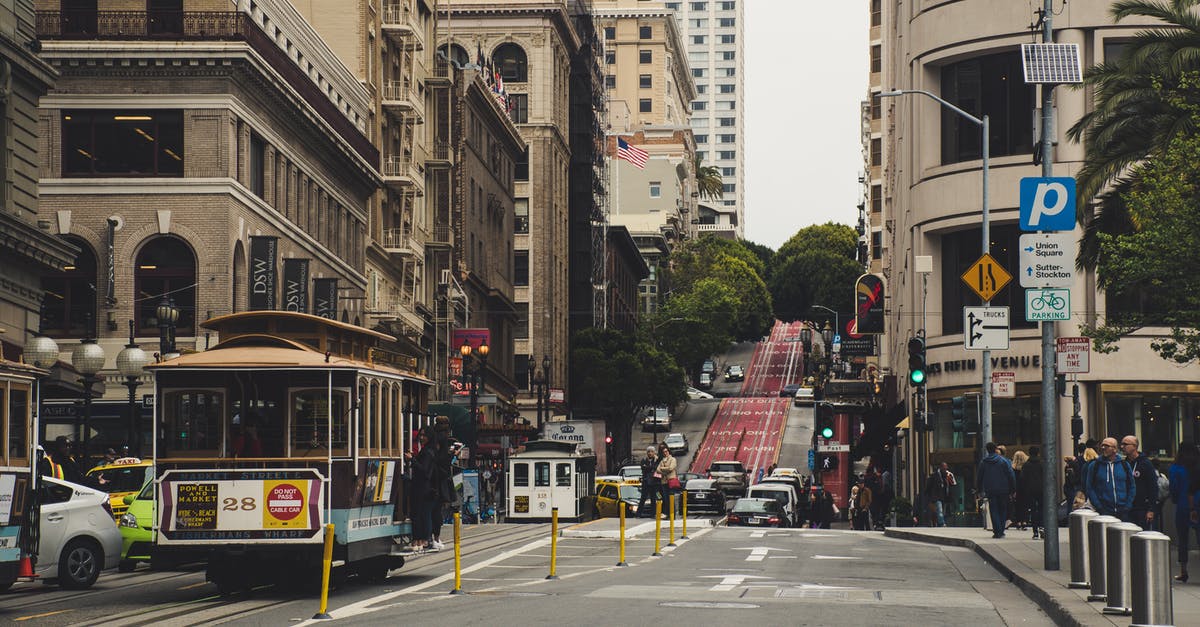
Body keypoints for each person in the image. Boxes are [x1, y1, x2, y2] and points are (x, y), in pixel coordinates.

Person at [1169, 442, 1200, 582]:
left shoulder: (1175, 468)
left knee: (1183, 539)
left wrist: (1175, 499)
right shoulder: (1197, 467)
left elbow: (1174, 488)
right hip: (1197, 503)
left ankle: (1183, 570)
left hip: (1182, 504)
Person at [404, 426, 437, 552]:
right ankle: (420, 540)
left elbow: (425, 471)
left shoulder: (428, 452)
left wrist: (412, 459)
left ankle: (419, 541)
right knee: (421, 514)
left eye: (424, 435)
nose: (422, 437)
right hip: (423, 487)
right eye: (420, 435)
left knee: (418, 514)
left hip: (421, 488)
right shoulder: (428, 450)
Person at [1083, 437, 1134, 519]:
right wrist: (1099, 506)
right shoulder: (1094, 465)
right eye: (1102, 445)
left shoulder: (1124, 465)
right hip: (1103, 511)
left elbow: (1132, 486)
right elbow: (1089, 487)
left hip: (1123, 511)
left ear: (1115, 449)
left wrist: (1128, 505)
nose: (1103, 448)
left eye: (1106, 446)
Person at [977, 441, 1016, 538]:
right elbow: (1011, 475)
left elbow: (979, 477)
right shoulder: (1004, 461)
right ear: (995, 449)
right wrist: (1013, 489)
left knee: (993, 509)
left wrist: (979, 490)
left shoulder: (984, 462)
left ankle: (997, 530)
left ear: (987, 450)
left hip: (990, 489)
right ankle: (1001, 530)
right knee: (1003, 509)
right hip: (1003, 489)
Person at [1122, 435, 1159, 530]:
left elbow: (1153, 487)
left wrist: (1151, 509)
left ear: (1134, 446)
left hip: (1142, 508)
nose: (1122, 447)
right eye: (1121, 444)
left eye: (1125, 444)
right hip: (1127, 508)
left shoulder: (1145, 464)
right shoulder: (1123, 464)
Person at [1020, 446, 1045, 539]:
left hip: (1030, 490)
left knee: (1033, 510)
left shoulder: (1026, 465)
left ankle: (1035, 531)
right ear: (1038, 453)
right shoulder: (1042, 464)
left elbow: (1022, 479)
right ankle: (1042, 525)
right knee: (1042, 508)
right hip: (1042, 489)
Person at [657, 443, 679, 515]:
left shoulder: (673, 459)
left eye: (666, 451)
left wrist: (662, 468)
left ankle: (673, 514)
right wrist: (665, 472)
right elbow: (657, 470)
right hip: (664, 482)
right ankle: (668, 514)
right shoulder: (661, 461)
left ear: (668, 451)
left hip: (671, 481)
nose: (665, 453)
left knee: (671, 498)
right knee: (666, 499)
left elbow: (671, 468)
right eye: (663, 452)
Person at [638, 446, 660, 517]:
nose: (650, 453)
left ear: (654, 453)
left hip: (654, 482)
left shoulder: (656, 460)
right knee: (643, 498)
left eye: (651, 451)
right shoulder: (643, 460)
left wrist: (649, 468)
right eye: (648, 452)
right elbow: (643, 468)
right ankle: (638, 513)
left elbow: (656, 468)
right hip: (646, 482)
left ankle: (653, 514)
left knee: (653, 498)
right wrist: (651, 468)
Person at [1011, 450, 1029, 531]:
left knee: (1017, 506)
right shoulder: (1026, 467)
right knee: (1025, 505)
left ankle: (1018, 522)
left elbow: (1012, 480)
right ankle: (1024, 521)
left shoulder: (1013, 468)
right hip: (1025, 488)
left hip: (1016, 489)